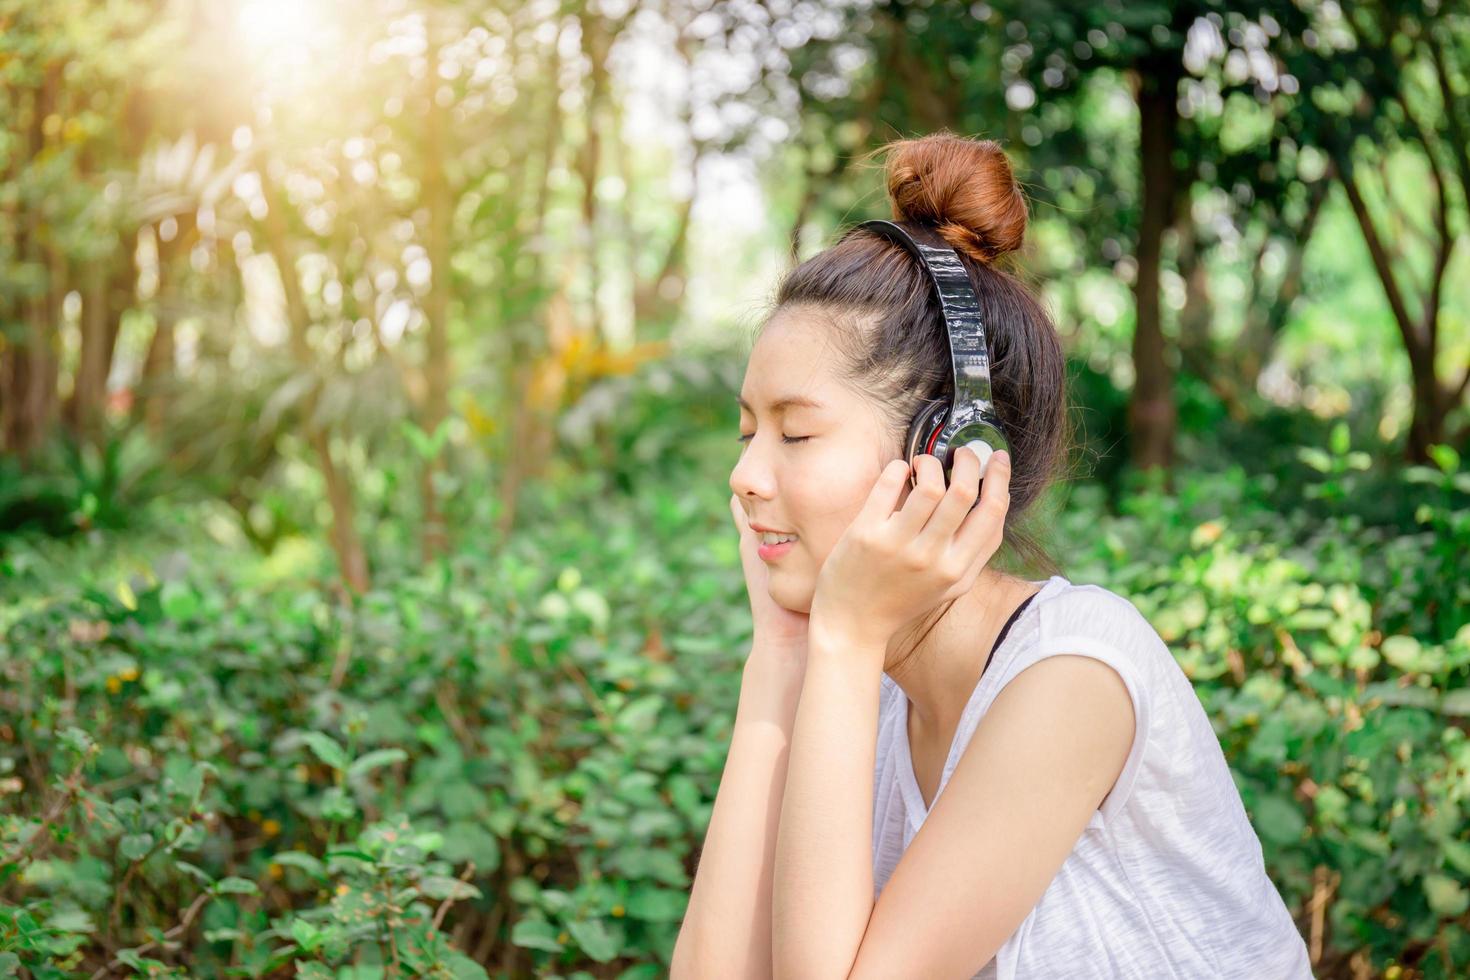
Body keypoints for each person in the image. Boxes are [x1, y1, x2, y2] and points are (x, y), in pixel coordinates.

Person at [670, 131, 1314, 979]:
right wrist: (783, 655)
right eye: (749, 432)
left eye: (796, 431)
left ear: (943, 450)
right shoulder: (862, 692)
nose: (746, 475)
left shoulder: (1073, 674)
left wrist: (844, 640)